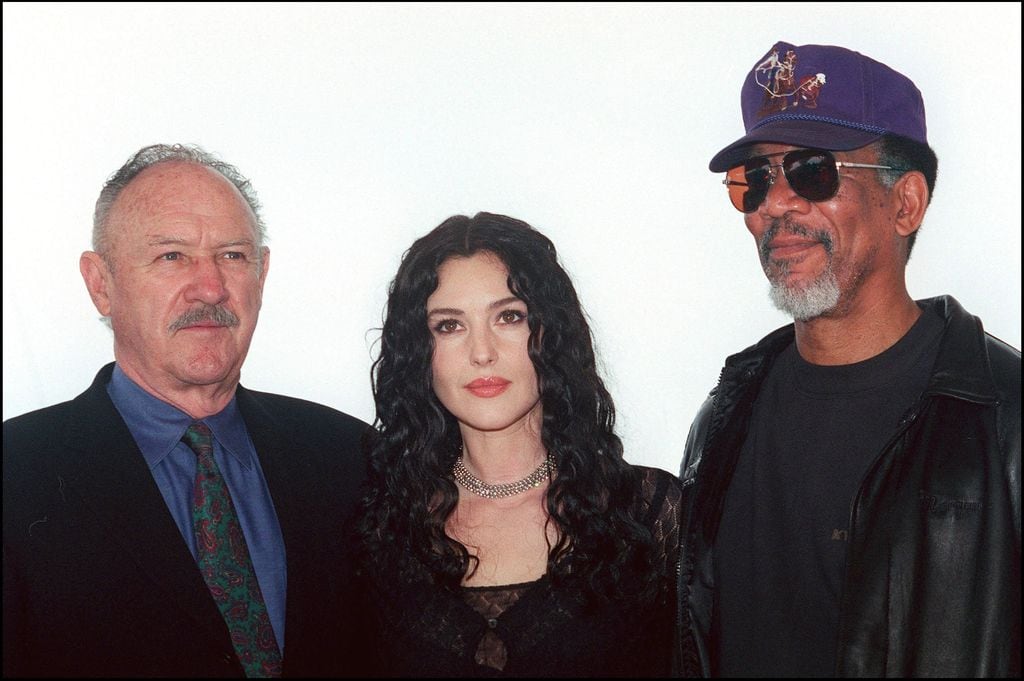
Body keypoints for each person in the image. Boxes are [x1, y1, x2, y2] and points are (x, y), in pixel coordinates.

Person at [677, 41, 1021, 677]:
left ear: (905, 203)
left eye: (813, 171)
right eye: (756, 180)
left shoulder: (1007, 422)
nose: (775, 206)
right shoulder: (724, 415)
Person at [3, 144, 369, 678]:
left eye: (233, 255)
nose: (211, 286)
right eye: (172, 256)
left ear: (262, 276)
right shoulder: (16, 476)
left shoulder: (351, 457)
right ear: (100, 284)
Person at [353, 212, 684, 676]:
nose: (482, 351)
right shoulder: (378, 526)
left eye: (509, 317)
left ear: (550, 332)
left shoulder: (649, 515)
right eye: (449, 325)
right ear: (419, 353)